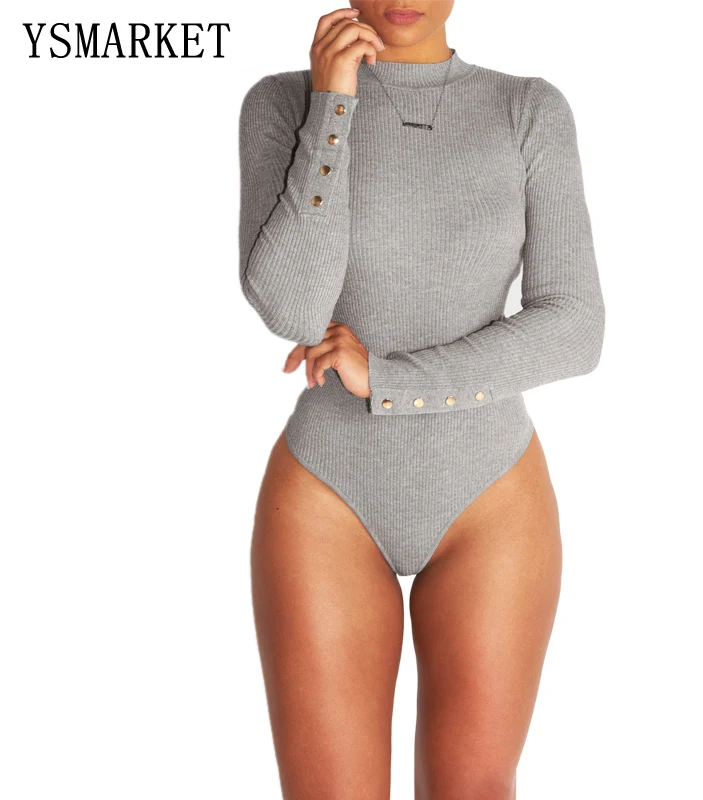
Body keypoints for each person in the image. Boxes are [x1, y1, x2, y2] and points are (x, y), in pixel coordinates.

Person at [238, 2, 605, 797]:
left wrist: (392, 378)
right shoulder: (281, 103)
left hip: (490, 496)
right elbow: (292, 308)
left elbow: (576, 328)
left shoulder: (527, 109)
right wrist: (333, 105)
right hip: (327, 493)